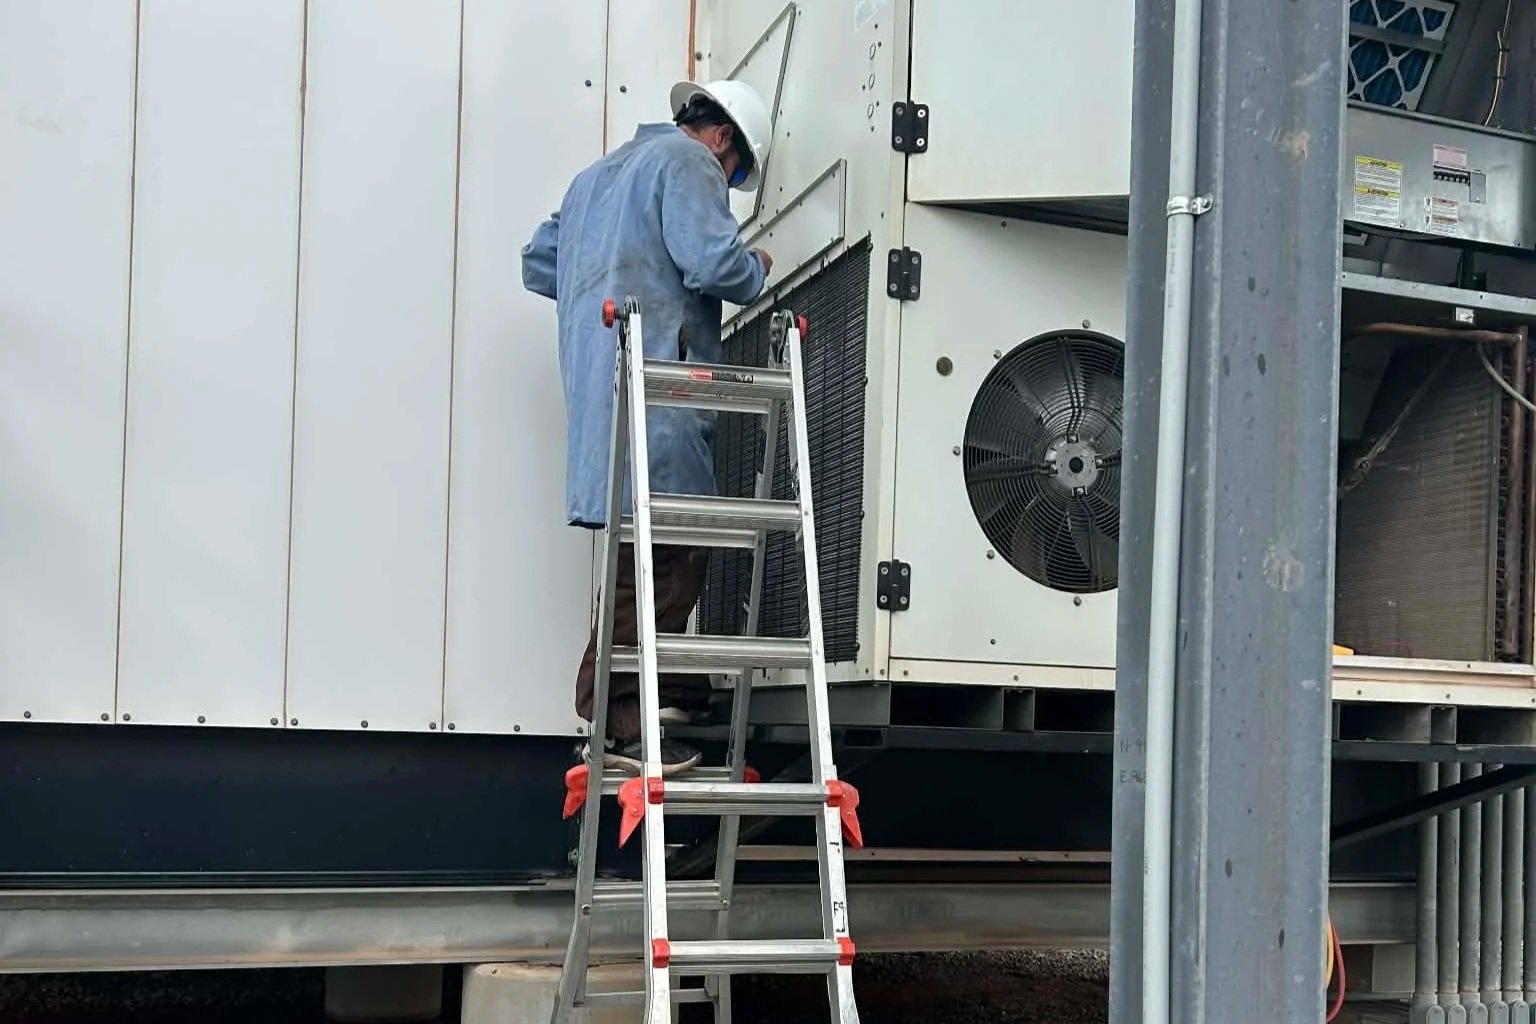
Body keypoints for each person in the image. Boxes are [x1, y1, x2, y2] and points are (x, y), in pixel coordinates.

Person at [521, 79, 775, 774]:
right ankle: (625, 716)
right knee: (677, 549)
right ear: (722, 137)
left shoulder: (590, 182)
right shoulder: (687, 162)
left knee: (644, 552)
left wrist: (606, 268)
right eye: (733, 177)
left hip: (601, 389)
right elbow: (714, 262)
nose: (724, 184)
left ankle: (656, 697)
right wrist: (755, 267)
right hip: (657, 384)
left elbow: (539, 263)